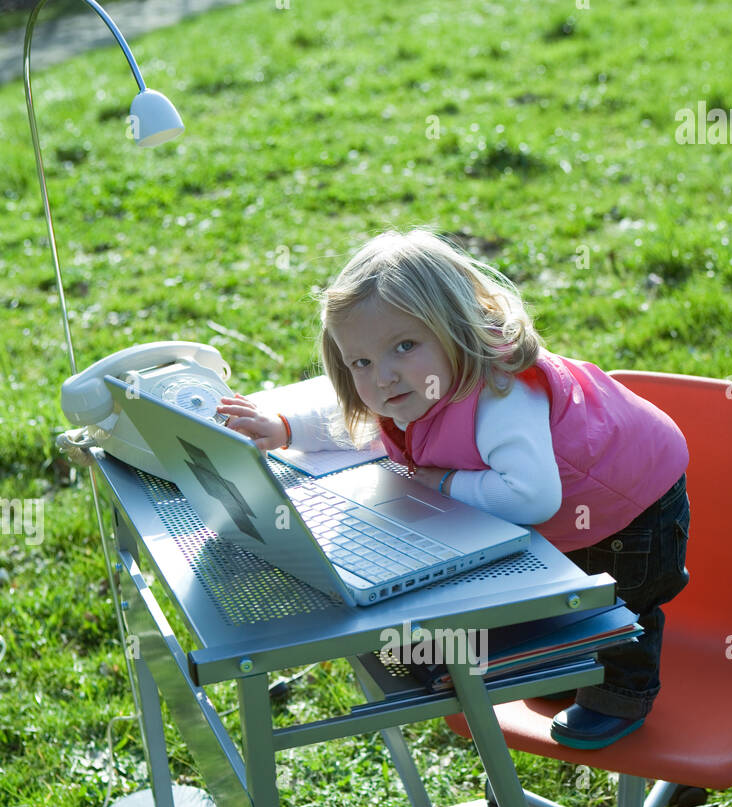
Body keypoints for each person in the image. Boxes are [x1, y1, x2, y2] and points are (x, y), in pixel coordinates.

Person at [220, 227, 690, 749]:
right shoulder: (414, 386)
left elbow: (533, 498)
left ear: (458, 328)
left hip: (634, 504)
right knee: (571, 594)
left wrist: (443, 482)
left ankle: (622, 694)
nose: (384, 378)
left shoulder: (500, 394)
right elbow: (352, 417)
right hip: (570, 506)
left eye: (404, 345)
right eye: (362, 362)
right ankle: (576, 662)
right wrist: (285, 428)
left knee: (626, 602)